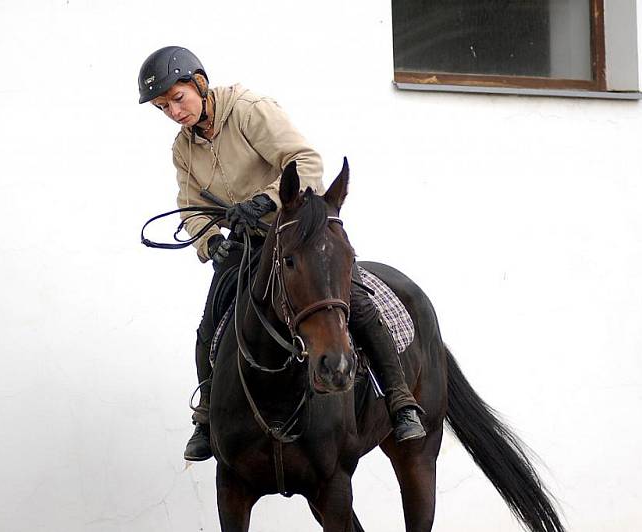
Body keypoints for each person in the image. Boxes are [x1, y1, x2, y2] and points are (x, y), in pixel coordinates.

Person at [138, 46, 426, 461]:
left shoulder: (250, 110)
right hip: (247, 247)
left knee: (355, 303)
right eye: (164, 107)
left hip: (291, 230)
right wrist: (210, 243)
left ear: (199, 83)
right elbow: (189, 204)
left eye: (177, 99)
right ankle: (206, 417)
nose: (174, 112)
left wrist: (264, 202)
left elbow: (306, 161)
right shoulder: (182, 149)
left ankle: (400, 402)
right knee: (209, 325)